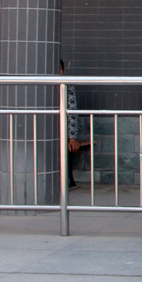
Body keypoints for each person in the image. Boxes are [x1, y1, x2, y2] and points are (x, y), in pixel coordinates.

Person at [60, 60, 81, 190]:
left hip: (62, 130)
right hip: (43, 129)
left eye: (60, 69)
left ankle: (67, 179)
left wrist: (72, 137)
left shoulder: (67, 86)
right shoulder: (41, 84)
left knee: (67, 146)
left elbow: (72, 112)